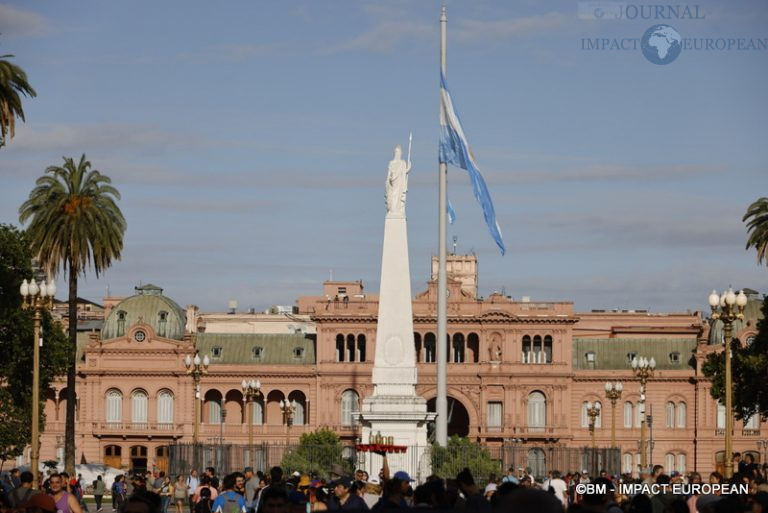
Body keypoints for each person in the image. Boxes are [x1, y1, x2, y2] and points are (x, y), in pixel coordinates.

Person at [384, 144, 411, 215]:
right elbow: (389, 174)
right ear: (395, 153)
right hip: (393, 183)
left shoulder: (402, 163)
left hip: (400, 184)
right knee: (392, 197)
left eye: (399, 152)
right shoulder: (391, 163)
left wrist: (408, 169)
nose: (398, 154)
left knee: (398, 198)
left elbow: (404, 172)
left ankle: (397, 210)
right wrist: (387, 181)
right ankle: (392, 211)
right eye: (396, 152)